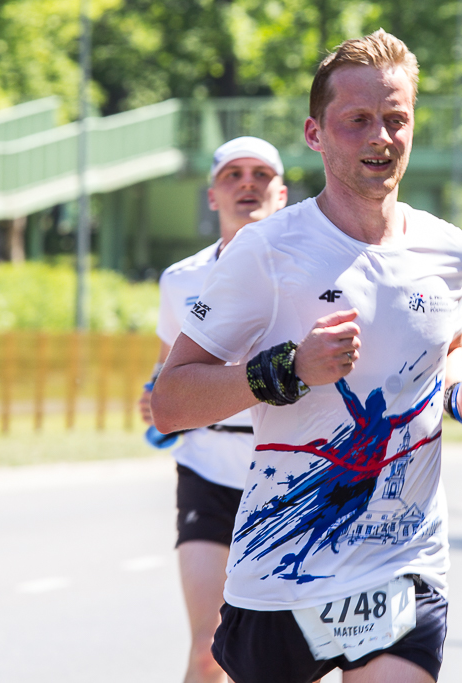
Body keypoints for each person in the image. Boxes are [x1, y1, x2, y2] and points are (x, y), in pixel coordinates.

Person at [151, 30, 462, 683]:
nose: (382, 137)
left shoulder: (450, 251)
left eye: (396, 119)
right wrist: (287, 369)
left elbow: (447, 355)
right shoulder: (267, 250)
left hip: (404, 563)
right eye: (358, 120)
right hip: (284, 568)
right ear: (315, 134)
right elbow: (171, 402)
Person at [139, 136, 289, 683]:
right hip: (206, 467)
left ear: (282, 194)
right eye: (233, 175)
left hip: (285, 472)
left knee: (288, 658)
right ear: (212, 195)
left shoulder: (307, 274)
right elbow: (166, 370)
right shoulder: (180, 280)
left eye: (261, 174)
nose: (247, 184)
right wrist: (154, 398)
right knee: (208, 650)